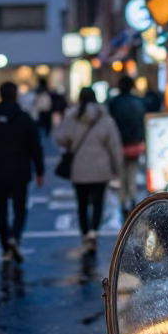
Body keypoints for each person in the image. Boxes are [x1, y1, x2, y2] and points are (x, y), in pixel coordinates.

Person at [0, 81, 45, 262]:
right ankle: (15, 236)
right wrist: (40, 170)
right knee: (20, 208)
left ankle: (5, 247)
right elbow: (35, 147)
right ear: (15, 96)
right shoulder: (24, 118)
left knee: (1, 209)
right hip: (21, 169)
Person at [56, 86, 122, 253]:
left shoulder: (72, 117)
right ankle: (94, 231)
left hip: (78, 167)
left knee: (82, 202)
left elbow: (60, 137)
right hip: (100, 167)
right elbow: (114, 145)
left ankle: (85, 234)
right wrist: (117, 167)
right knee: (99, 201)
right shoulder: (105, 118)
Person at [108, 76, 146, 215]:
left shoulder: (113, 103)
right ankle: (133, 200)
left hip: (118, 144)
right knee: (132, 173)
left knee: (121, 175)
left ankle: (123, 202)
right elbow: (142, 123)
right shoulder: (138, 102)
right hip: (135, 144)